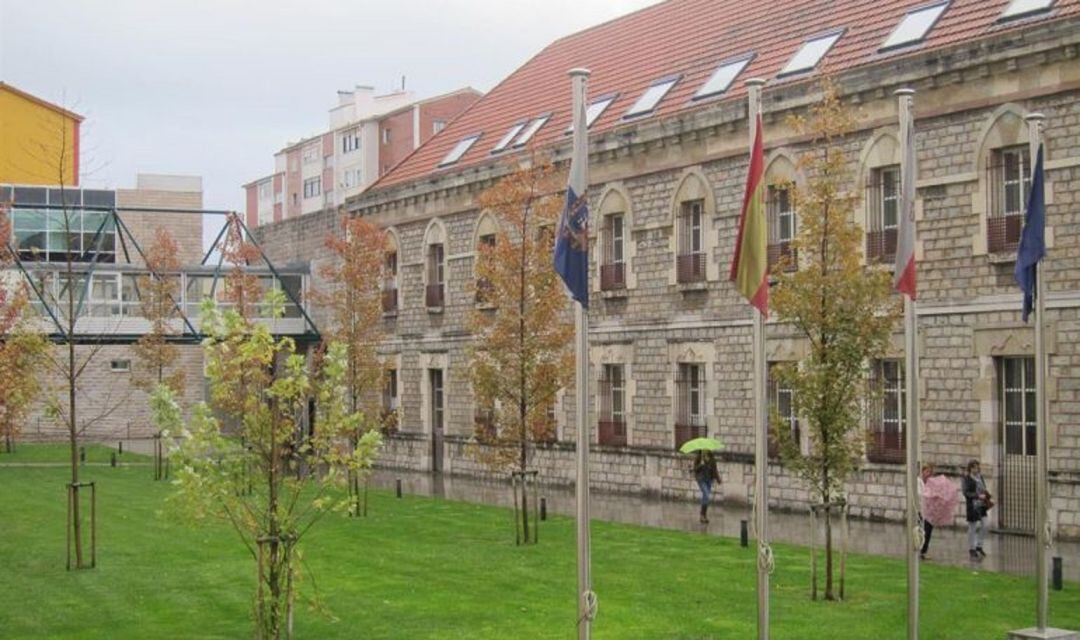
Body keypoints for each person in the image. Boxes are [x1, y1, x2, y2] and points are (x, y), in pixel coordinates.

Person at [962, 459, 991, 561]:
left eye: (978, 467)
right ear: (970, 468)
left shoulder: (980, 477)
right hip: (973, 505)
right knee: (972, 528)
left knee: (985, 525)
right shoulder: (966, 479)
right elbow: (966, 493)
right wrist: (978, 496)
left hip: (982, 505)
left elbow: (984, 489)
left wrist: (988, 497)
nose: (977, 469)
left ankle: (979, 545)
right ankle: (972, 548)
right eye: (974, 467)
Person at [693, 450, 720, 524]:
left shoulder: (712, 459)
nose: (704, 452)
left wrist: (718, 479)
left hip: (709, 480)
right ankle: (702, 515)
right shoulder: (698, 458)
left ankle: (704, 516)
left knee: (706, 497)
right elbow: (694, 469)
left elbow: (715, 470)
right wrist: (701, 464)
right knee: (706, 495)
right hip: (701, 479)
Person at [918, 463, 934, 560]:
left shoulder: (930, 483)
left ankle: (924, 551)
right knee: (922, 531)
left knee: (928, 531)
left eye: (930, 472)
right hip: (921, 510)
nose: (928, 474)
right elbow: (920, 495)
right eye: (927, 471)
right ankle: (920, 550)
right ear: (923, 471)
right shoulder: (919, 482)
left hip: (929, 510)